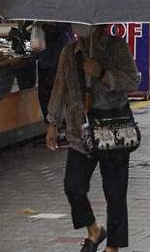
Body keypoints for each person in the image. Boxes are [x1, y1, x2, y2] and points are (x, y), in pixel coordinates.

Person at [46, 25, 140, 252]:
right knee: (73, 186)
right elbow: (60, 86)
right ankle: (94, 229)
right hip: (80, 133)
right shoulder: (69, 52)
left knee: (115, 192)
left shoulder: (116, 47)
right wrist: (52, 122)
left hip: (112, 129)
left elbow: (133, 81)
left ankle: (113, 246)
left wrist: (102, 74)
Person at [35, 23, 72, 123]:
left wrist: (47, 24)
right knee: (46, 96)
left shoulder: (62, 23)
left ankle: (58, 125)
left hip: (59, 57)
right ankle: (51, 125)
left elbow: (65, 27)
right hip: (45, 59)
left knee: (59, 94)